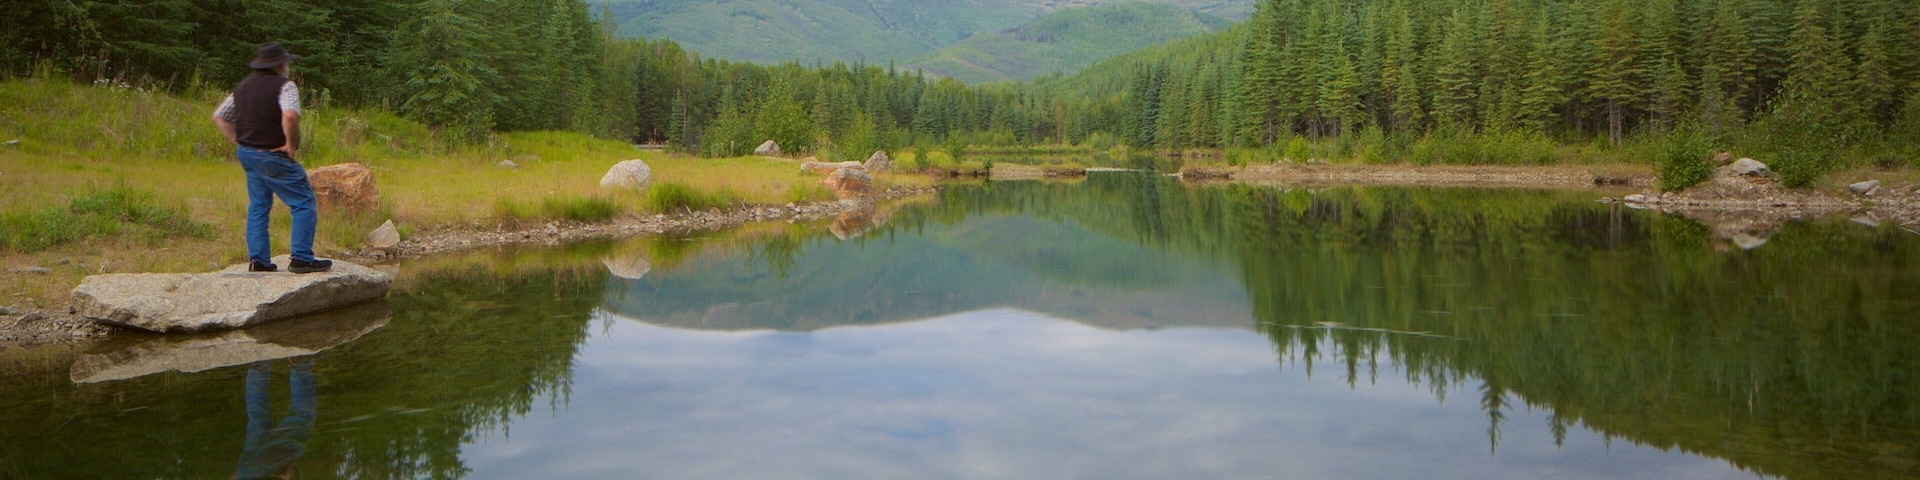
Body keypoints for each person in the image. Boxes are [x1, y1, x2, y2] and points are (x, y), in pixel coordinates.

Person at [211, 42, 331, 273]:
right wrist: (289, 143)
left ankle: (259, 261)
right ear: (279, 64)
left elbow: (219, 117)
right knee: (303, 202)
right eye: (285, 62)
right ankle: (301, 258)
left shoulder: (242, 87)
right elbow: (289, 115)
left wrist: (237, 140)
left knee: (258, 205)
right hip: (273, 152)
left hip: (247, 153)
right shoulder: (285, 87)